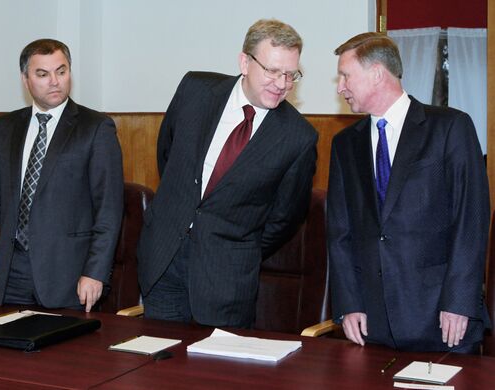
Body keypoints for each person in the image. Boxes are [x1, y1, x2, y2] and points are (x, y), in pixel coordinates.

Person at [137, 19, 318, 328]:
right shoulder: (195, 89)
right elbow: (167, 153)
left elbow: (285, 216)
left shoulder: (298, 138)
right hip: (164, 259)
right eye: (272, 71)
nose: (281, 83)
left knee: (216, 375)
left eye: (291, 75)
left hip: (226, 279)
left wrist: (235, 246)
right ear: (244, 62)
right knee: (160, 369)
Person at [328, 32, 490, 352]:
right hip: (371, 326)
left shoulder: (450, 128)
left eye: (346, 76)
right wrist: (349, 304)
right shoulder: (345, 144)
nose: (340, 87)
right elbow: (340, 232)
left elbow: (470, 218)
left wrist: (459, 301)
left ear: (376, 74)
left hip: (442, 321)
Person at [0, 39, 124, 312]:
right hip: (12, 271)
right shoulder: (5, 127)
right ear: (25, 79)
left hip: (69, 274)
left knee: (65, 354)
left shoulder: (95, 128)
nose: (55, 82)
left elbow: (109, 209)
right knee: (7, 351)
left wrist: (95, 272)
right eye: (43, 74)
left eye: (61, 71)